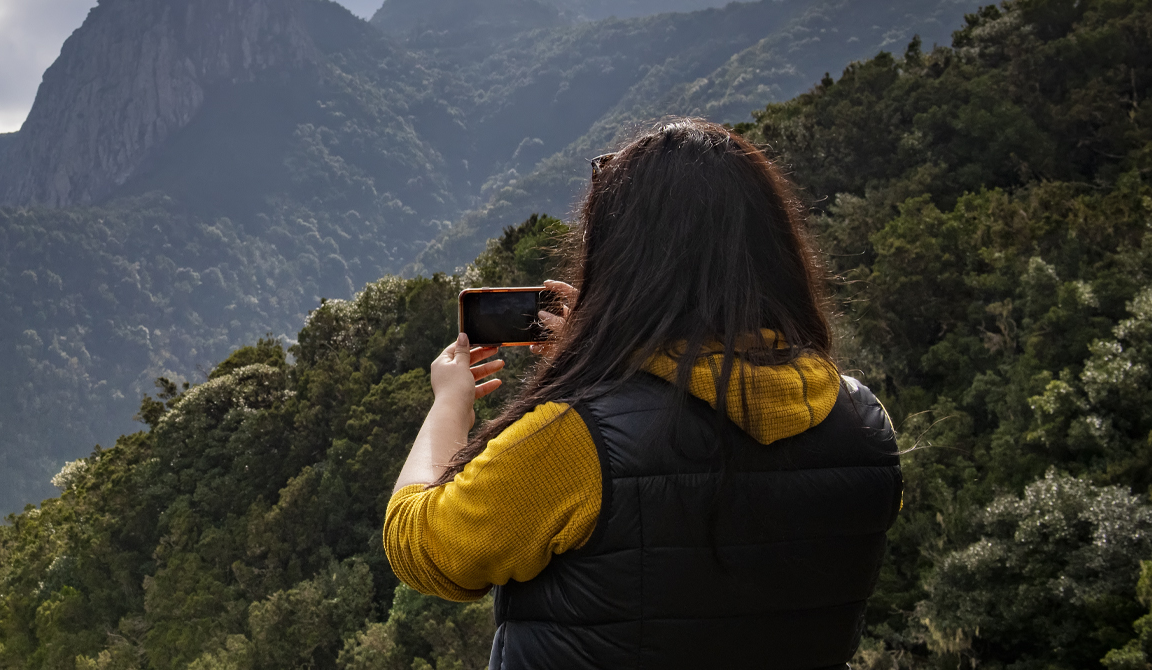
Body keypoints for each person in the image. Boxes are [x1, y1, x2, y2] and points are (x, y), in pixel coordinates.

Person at [381, 118, 902, 669]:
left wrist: (449, 404)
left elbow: (423, 545)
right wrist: (611, 356)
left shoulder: (574, 442)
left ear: (623, 264)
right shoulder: (863, 422)